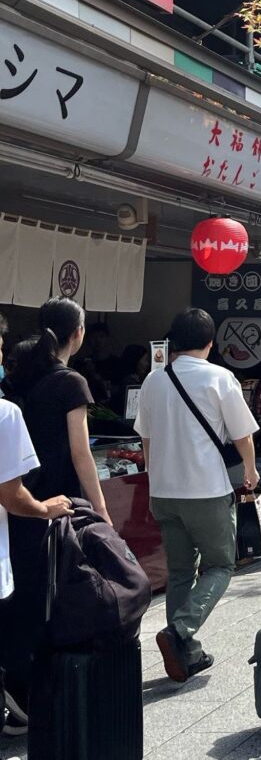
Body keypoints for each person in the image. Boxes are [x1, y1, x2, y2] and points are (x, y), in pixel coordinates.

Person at [134, 308, 260, 683]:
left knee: (179, 572)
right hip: (205, 488)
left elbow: (146, 438)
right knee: (221, 565)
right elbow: (242, 435)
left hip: (164, 490)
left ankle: (185, 653)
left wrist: (154, 476)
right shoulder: (220, 378)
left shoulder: (154, 380)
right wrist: (251, 470)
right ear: (210, 342)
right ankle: (179, 631)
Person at [0, 298, 110, 722]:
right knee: (50, 598)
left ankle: (19, 686)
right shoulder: (70, 382)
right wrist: (100, 509)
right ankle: (28, 692)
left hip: (14, 501)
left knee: (19, 596)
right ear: (77, 334)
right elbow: (81, 454)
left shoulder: (19, 378)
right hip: (53, 507)